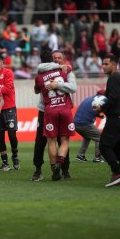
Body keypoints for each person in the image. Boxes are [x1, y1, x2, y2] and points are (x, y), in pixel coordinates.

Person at [31, 50, 76, 181]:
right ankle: (38, 169)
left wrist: (58, 84)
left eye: (59, 58)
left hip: (52, 109)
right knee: (41, 141)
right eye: (54, 58)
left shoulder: (66, 71)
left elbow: (73, 88)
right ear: (51, 60)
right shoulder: (48, 70)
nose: (56, 60)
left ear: (63, 59)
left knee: (59, 140)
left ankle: (64, 170)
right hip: (45, 110)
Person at [95, 54, 120, 187]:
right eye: (102, 64)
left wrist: (101, 108)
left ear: (114, 65)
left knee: (104, 146)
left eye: (106, 64)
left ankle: (117, 174)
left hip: (116, 119)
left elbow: (113, 98)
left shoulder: (114, 78)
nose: (103, 67)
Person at [0, 53, 20, 171]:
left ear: (2, 63)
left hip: (9, 107)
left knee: (12, 135)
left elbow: (7, 89)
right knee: (0, 136)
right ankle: (5, 162)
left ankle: (15, 155)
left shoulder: (8, 73)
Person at [74, 90, 105, 163]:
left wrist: (98, 115)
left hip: (76, 123)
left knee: (87, 137)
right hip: (84, 123)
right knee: (100, 137)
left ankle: (80, 156)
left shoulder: (89, 99)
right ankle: (98, 158)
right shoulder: (99, 100)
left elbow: (90, 110)